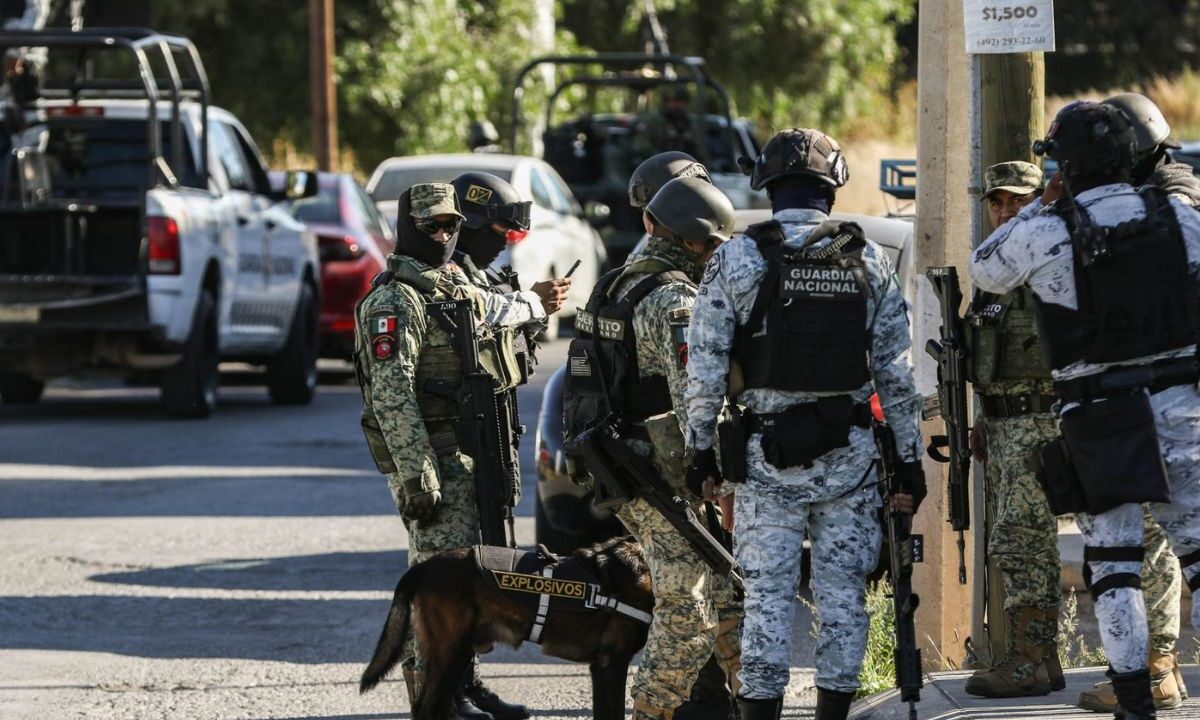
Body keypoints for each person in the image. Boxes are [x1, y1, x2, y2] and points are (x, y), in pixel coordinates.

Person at [969, 101, 1200, 720]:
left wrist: (1048, 201)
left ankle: (1132, 702)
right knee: (1196, 552)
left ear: (1064, 166)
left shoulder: (1049, 227)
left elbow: (986, 269)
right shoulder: (1178, 215)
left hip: (1100, 417)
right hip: (1181, 403)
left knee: (1116, 566)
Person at [684, 128, 925, 720]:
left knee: (767, 601)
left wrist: (700, 450)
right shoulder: (866, 259)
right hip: (850, 460)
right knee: (844, 600)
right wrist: (911, 460)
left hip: (766, 462)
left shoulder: (736, 258)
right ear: (833, 188)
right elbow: (897, 372)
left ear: (766, 186)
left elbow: (706, 364)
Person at [564, 168, 741, 720]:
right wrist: (722, 477)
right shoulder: (675, 302)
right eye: (709, 245)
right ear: (693, 242)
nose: (712, 256)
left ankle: (757, 700)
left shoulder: (612, 285)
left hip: (623, 469)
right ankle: (652, 712)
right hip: (665, 481)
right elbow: (697, 400)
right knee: (689, 617)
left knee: (729, 596)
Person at [353, 182, 516, 720]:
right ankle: (433, 702)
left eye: (451, 225)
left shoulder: (452, 284)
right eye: (431, 226)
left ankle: (459, 688)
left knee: (467, 585)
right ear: (407, 227)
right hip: (434, 463)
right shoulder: (395, 300)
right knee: (439, 589)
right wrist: (420, 475)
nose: (444, 235)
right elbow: (392, 395)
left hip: (467, 458)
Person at [1066, 93, 1194, 715]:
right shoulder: (1172, 193)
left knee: (1149, 544)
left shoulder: (1168, 202)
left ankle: (1155, 670)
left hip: (1159, 397)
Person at [961, 161, 1066, 699]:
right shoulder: (993, 275)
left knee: (1020, 542)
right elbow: (989, 355)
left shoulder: (1041, 261)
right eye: (997, 202)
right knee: (1023, 545)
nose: (1006, 211)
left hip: (1037, 421)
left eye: (1018, 201)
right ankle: (1041, 657)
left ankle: (1026, 660)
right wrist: (981, 420)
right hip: (1003, 425)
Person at [633, 86, 700, 161]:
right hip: (657, 165)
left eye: (680, 102)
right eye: (672, 102)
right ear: (666, 103)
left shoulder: (688, 122)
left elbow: (698, 147)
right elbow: (641, 147)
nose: (676, 105)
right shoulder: (654, 121)